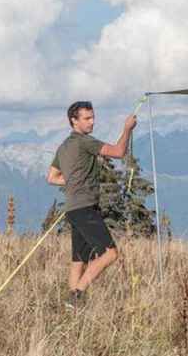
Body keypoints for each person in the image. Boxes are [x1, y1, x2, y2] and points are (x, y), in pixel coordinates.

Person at [47, 100, 137, 309]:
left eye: (92, 117)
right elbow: (119, 152)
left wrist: (74, 181)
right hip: (86, 208)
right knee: (110, 253)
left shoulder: (64, 147)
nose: (92, 122)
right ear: (74, 121)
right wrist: (127, 129)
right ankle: (77, 294)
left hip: (73, 209)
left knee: (79, 259)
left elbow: (51, 177)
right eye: (87, 118)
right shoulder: (84, 142)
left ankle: (71, 311)